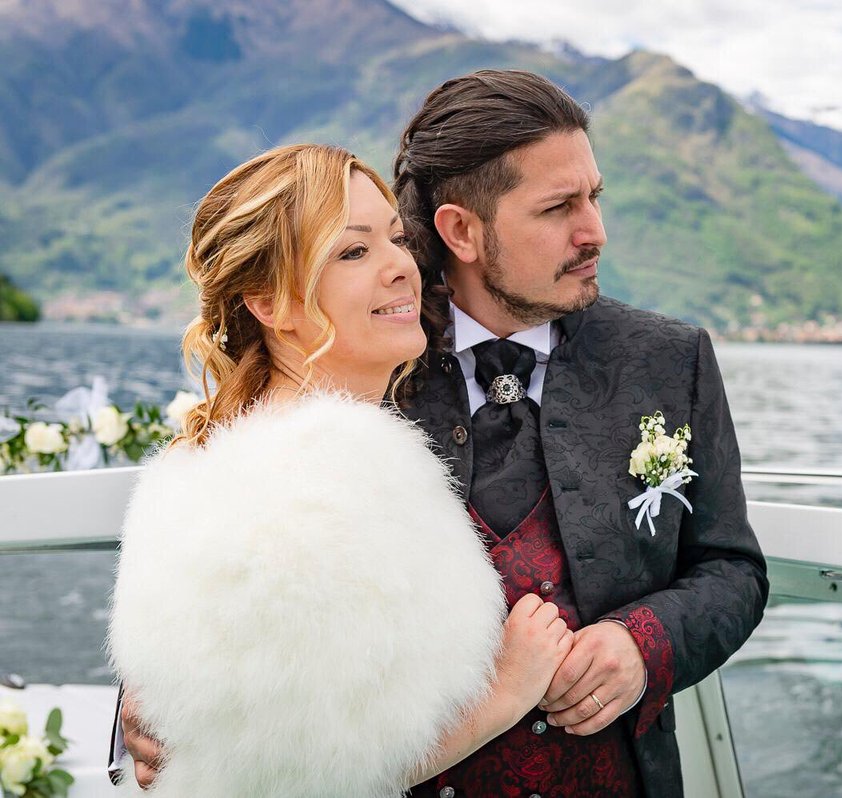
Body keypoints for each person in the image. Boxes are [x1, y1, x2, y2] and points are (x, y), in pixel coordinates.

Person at [120, 69, 768, 797]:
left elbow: (732, 568)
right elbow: (235, 556)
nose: (595, 232)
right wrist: (154, 703)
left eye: (595, 197)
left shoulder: (668, 360)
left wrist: (644, 645)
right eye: (558, 207)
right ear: (461, 230)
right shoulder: (364, 350)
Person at [107, 143, 573, 797]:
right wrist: (508, 689)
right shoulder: (319, 482)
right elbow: (305, 773)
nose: (401, 267)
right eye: (353, 251)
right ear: (270, 303)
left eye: (396, 239)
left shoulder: (220, 458)